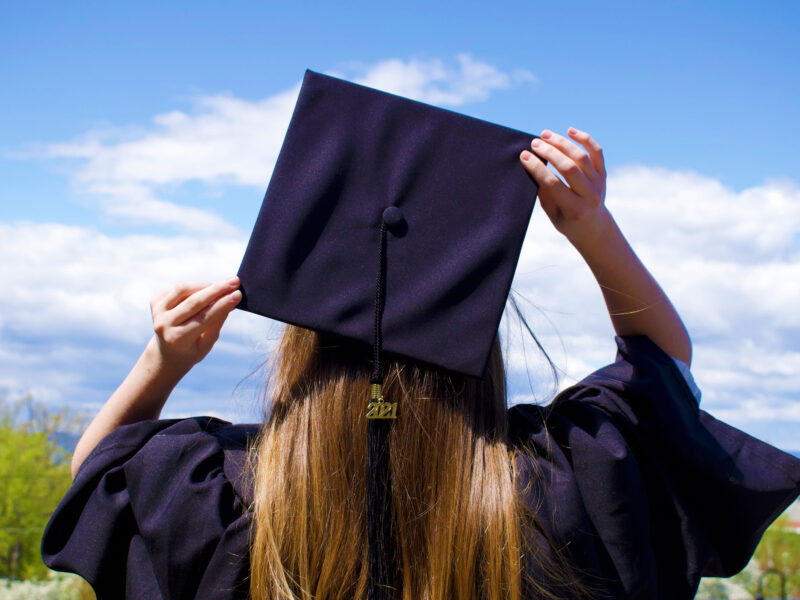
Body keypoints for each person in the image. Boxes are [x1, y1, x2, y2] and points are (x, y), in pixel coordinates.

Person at [42, 115, 800, 597]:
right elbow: (662, 368)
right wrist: (593, 229)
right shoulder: (557, 493)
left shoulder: (227, 500)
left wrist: (163, 363)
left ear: (301, 349)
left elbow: (99, 473)